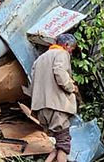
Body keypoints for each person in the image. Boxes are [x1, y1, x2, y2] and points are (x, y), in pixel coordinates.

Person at [30, 33, 78, 162]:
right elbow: (59, 73)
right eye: (71, 49)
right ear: (66, 45)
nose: (71, 52)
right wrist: (71, 87)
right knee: (64, 143)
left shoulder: (40, 59)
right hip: (56, 106)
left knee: (56, 144)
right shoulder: (61, 54)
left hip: (41, 107)